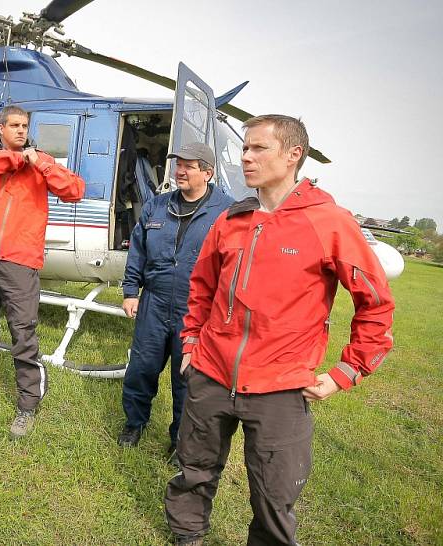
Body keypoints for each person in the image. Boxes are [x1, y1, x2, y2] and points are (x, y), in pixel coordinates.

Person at [164, 115, 395, 545]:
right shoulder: (232, 219)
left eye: (258, 149)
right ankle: (187, 535)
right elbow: (201, 287)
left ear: (293, 155)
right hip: (211, 375)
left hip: (280, 387)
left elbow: (376, 303)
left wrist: (348, 371)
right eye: (245, 148)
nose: (246, 157)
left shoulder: (329, 221)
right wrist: (193, 341)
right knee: (193, 470)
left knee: (273, 494)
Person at [0, 105, 85, 439]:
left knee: (23, 333)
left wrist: (39, 162)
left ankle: (28, 404)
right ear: (1, 128)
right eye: (14, 125)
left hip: (20, 260)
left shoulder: (42, 161)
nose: (21, 130)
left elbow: (75, 190)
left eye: (25, 125)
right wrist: (18, 159)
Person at [118, 142, 233, 460]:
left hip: (196, 310)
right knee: (141, 368)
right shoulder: (157, 205)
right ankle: (134, 423)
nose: (179, 171)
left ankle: (180, 439)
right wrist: (131, 291)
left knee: (188, 380)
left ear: (208, 173)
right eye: (177, 165)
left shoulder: (227, 212)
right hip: (154, 303)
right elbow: (138, 249)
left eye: (188, 166)